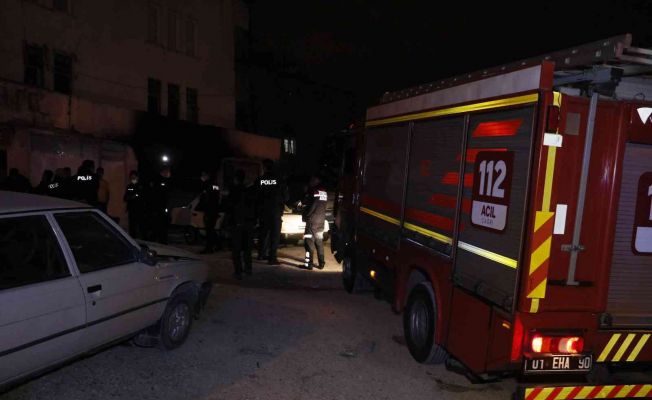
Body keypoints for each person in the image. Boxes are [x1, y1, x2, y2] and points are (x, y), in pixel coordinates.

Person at [255, 159, 288, 265]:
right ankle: (272, 258)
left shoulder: (260, 180)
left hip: (263, 212)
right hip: (275, 212)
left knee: (263, 233)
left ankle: (261, 254)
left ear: (264, 168)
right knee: (274, 236)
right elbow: (286, 197)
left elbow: (255, 196)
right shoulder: (279, 180)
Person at [226, 169, 255, 279]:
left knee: (236, 249)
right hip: (248, 223)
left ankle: (238, 271)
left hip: (237, 224)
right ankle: (248, 269)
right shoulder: (249, 190)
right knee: (247, 249)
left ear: (236, 179)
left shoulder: (234, 191)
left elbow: (230, 207)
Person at [302, 175, 328, 270]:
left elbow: (312, 206)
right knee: (319, 243)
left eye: (312, 180)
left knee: (308, 243)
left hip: (312, 222)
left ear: (316, 180)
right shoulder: (324, 192)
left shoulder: (313, 191)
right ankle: (321, 263)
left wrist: (306, 216)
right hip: (321, 222)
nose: (310, 182)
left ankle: (309, 264)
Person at [196, 171, 221, 254]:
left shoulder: (211, 185)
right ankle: (218, 245)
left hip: (210, 210)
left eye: (204, 175)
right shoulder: (211, 185)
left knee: (209, 230)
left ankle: (209, 248)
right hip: (211, 210)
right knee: (211, 229)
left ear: (207, 176)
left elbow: (212, 199)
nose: (202, 177)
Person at [148, 166, 172, 244]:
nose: (168, 173)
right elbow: (158, 196)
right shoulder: (158, 181)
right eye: (167, 171)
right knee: (159, 226)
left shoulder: (166, 181)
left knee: (162, 226)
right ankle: (160, 241)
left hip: (162, 207)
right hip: (159, 208)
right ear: (163, 172)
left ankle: (161, 240)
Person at [124, 170, 146, 238]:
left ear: (137, 177)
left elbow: (143, 197)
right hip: (132, 210)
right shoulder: (129, 186)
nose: (132, 179)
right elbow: (125, 198)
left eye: (134, 178)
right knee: (132, 227)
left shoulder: (141, 186)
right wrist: (131, 197)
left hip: (140, 210)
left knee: (141, 227)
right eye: (131, 178)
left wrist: (136, 196)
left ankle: (144, 240)